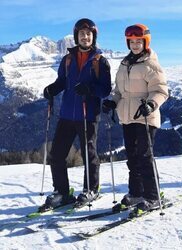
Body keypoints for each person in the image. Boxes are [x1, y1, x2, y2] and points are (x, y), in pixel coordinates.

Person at [41, 18, 112, 211]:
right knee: (56, 154)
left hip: (88, 115)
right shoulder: (68, 59)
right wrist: (52, 89)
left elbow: (105, 90)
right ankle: (62, 192)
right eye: (82, 34)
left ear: (93, 37)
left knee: (89, 154)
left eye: (89, 34)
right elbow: (62, 81)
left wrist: (90, 89)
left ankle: (91, 189)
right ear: (76, 37)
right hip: (67, 114)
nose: (85, 37)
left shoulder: (100, 61)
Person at [102, 24, 168, 213]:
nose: (135, 45)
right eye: (132, 42)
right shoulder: (125, 64)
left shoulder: (151, 64)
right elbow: (119, 91)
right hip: (127, 117)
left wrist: (151, 104)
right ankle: (136, 193)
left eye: (139, 41)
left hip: (145, 116)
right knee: (132, 158)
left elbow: (161, 91)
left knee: (144, 157)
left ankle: (152, 196)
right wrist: (112, 102)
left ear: (145, 42)